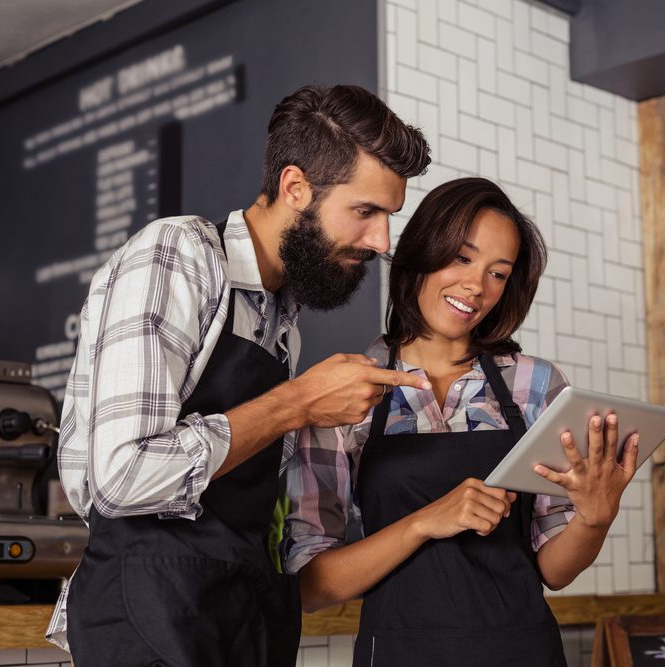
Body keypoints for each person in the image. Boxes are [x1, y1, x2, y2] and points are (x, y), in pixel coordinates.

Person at [45, 84, 433, 667]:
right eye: (365, 212)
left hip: (240, 610)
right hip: (153, 608)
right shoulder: (178, 255)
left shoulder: (281, 318)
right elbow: (120, 477)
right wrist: (299, 402)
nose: (380, 241)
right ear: (295, 187)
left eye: (388, 217)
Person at [283, 177, 641, 666]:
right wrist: (425, 522)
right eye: (462, 258)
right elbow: (312, 584)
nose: (476, 287)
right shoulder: (346, 390)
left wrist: (596, 518)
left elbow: (555, 570)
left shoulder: (534, 386)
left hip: (522, 653)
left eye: (499, 273)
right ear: (422, 253)